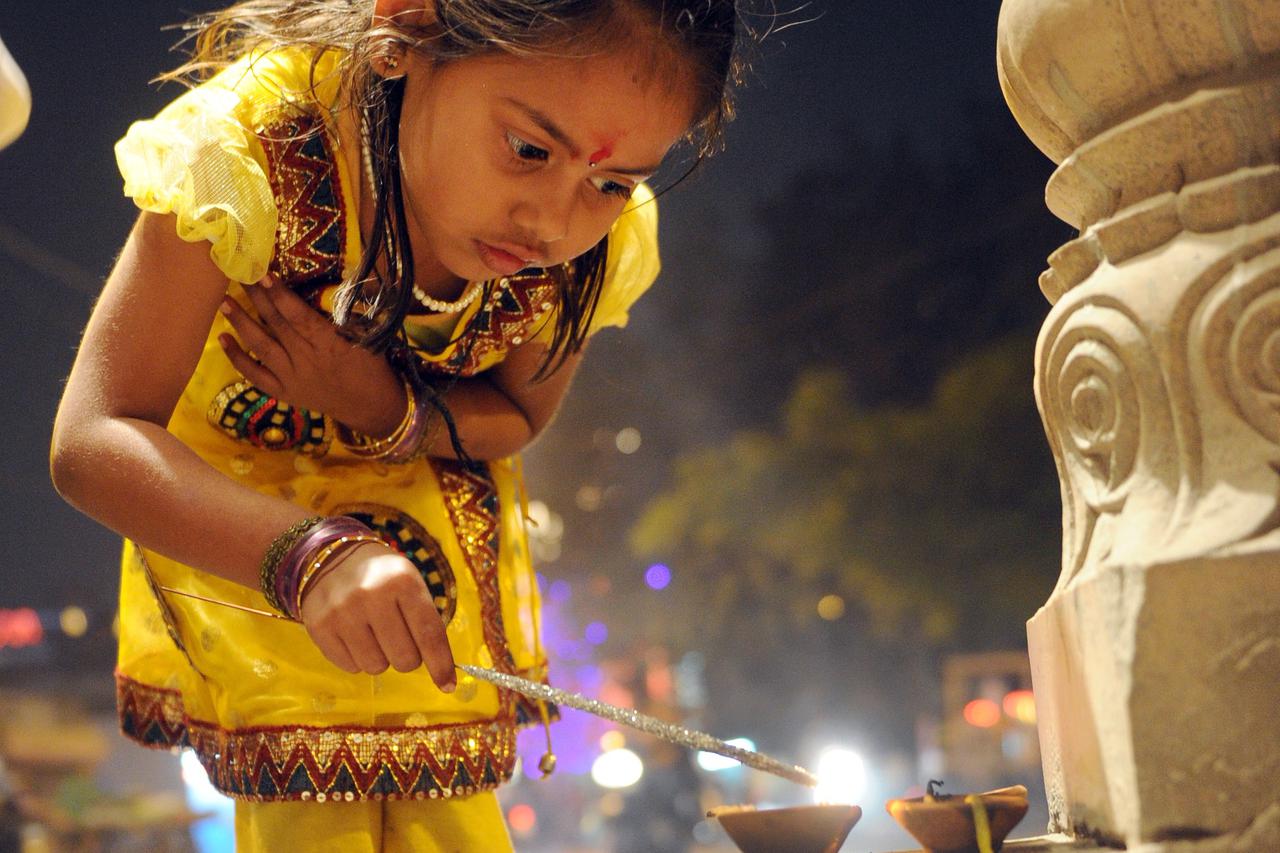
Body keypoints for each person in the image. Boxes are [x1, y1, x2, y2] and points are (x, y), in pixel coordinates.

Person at [49, 1, 741, 850]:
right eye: (528, 150)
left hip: (429, 562)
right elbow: (92, 439)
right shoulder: (245, 159)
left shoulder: (591, 245)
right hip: (247, 536)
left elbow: (520, 414)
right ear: (406, 29)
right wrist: (308, 557)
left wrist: (376, 403)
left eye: (611, 183)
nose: (553, 224)